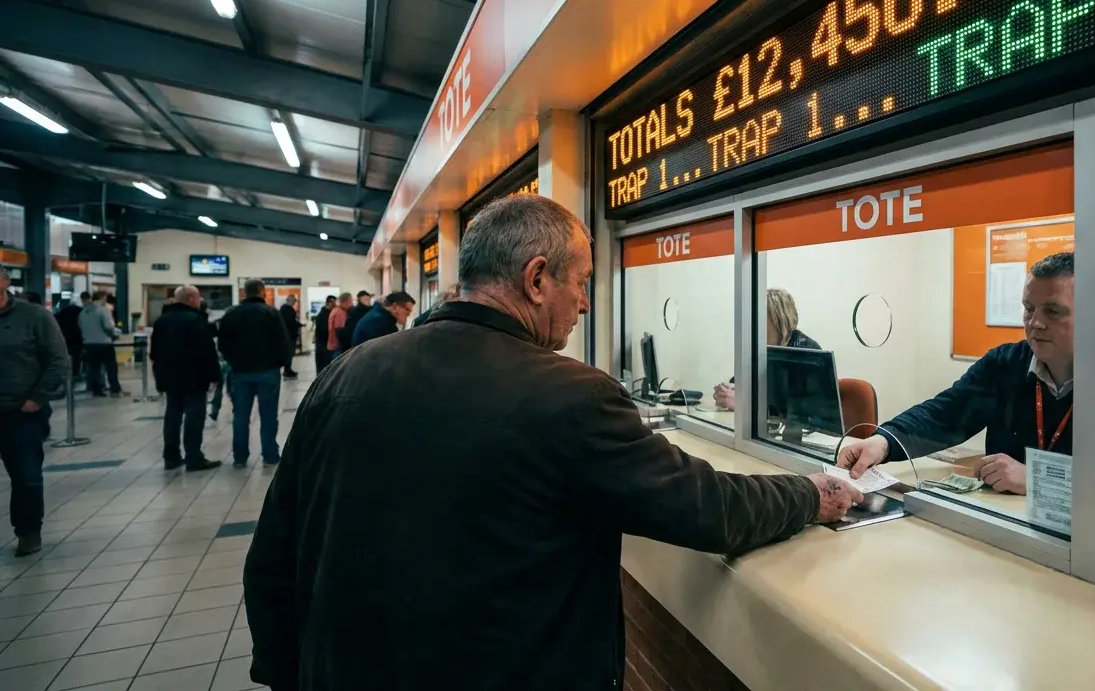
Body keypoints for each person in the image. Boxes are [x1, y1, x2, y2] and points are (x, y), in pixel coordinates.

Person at [242, 195, 860, 691]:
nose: (587, 303)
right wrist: (812, 494)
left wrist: (285, 672)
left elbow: (273, 556)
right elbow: (709, 509)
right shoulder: (570, 396)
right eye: (583, 283)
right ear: (538, 278)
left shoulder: (344, 375)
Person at [838, 251, 1095, 495]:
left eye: (1054, 311)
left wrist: (1042, 481)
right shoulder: (1006, 362)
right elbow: (947, 413)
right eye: (1029, 309)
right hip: (1008, 528)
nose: (1035, 323)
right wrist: (882, 442)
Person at [0, 269, 67, 557]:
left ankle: (28, 532)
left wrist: (38, 398)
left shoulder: (34, 316)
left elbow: (57, 358)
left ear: (4, 282)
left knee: (25, 475)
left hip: (21, 411)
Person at [218, 279, 291, 468]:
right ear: (262, 292)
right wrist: (282, 363)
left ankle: (240, 456)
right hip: (267, 371)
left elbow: (222, 343)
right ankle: (270, 455)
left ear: (244, 292)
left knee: (240, 415)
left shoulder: (231, 314)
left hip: (240, 372)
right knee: (268, 415)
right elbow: (283, 341)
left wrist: (233, 361)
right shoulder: (271, 313)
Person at [150, 286, 222, 472]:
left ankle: (171, 456)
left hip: (169, 377)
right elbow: (206, 351)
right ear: (191, 298)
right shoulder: (195, 320)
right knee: (194, 416)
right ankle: (193, 456)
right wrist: (214, 375)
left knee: (172, 415)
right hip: (194, 377)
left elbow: (154, 353)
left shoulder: (161, 321)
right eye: (198, 297)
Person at [713, 287, 820, 411]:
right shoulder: (763, 349)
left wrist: (744, 403)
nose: (753, 324)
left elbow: (802, 410)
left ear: (779, 319)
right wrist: (728, 390)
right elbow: (743, 381)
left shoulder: (807, 354)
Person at [79, 290, 122, 396]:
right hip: (104, 343)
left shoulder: (83, 312)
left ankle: (97, 390)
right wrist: (114, 334)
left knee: (94, 368)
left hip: (89, 343)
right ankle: (114, 388)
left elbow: (81, 327)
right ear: (102, 298)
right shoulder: (103, 310)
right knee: (111, 367)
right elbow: (108, 327)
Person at [351, 291, 415, 347]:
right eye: (407, 310)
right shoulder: (380, 322)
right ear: (395, 306)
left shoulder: (377, 315)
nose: (409, 314)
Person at [55, 292, 87, 389]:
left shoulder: (61, 313)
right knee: (77, 358)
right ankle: (75, 375)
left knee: (66, 358)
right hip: (78, 339)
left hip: (66, 339)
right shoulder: (81, 311)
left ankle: (67, 376)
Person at [279, 295, 302, 379]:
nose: (294, 303)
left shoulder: (284, 309)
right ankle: (287, 370)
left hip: (288, 334)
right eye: (294, 301)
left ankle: (288, 369)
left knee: (290, 353)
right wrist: (299, 325)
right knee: (289, 352)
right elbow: (291, 322)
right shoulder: (287, 309)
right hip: (289, 335)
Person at [312, 295, 337, 372]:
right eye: (333, 303)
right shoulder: (323, 315)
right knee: (323, 368)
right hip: (323, 345)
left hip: (326, 345)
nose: (335, 305)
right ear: (329, 303)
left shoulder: (330, 313)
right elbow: (325, 330)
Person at [326, 292, 353, 360]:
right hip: (337, 346)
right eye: (351, 301)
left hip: (333, 344)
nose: (352, 304)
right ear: (347, 301)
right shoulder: (340, 312)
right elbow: (339, 331)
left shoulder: (335, 310)